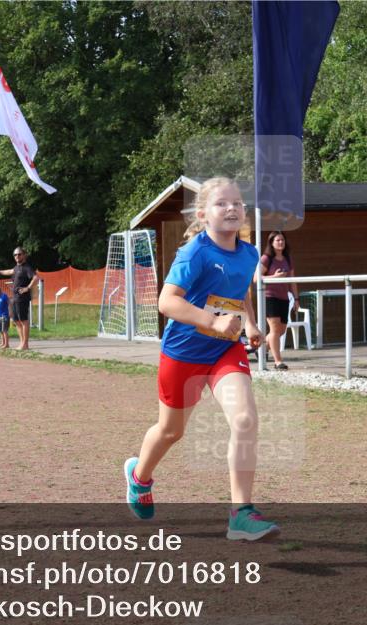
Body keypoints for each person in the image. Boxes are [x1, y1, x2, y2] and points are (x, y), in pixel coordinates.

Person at [123, 176, 276, 542]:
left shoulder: (249, 252)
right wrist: (212, 321)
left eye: (237, 203)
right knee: (172, 431)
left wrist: (251, 324)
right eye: (222, 203)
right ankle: (139, 477)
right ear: (204, 213)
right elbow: (166, 302)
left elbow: (241, 292)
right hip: (184, 352)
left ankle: (241, 514)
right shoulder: (195, 252)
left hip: (225, 349)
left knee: (244, 419)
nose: (232, 209)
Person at [259, 231, 299, 371]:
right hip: (270, 297)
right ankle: (278, 362)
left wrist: (296, 298)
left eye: (282, 240)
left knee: (280, 331)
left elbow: (292, 281)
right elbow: (256, 278)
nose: (280, 242)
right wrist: (274, 277)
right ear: (271, 243)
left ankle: (262, 348)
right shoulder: (266, 258)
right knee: (275, 330)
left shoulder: (288, 258)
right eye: (277, 240)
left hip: (284, 298)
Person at [0, 247, 39, 351]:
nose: (17, 256)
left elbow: (36, 278)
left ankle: (25, 344)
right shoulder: (16, 268)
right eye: (15, 255)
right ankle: (21, 343)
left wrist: (27, 288)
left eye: (19, 254)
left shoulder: (27, 267)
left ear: (24, 255)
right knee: (16, 321)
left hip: (22, 298)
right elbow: (9, 271)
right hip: (15, 298)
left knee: (23, 320)